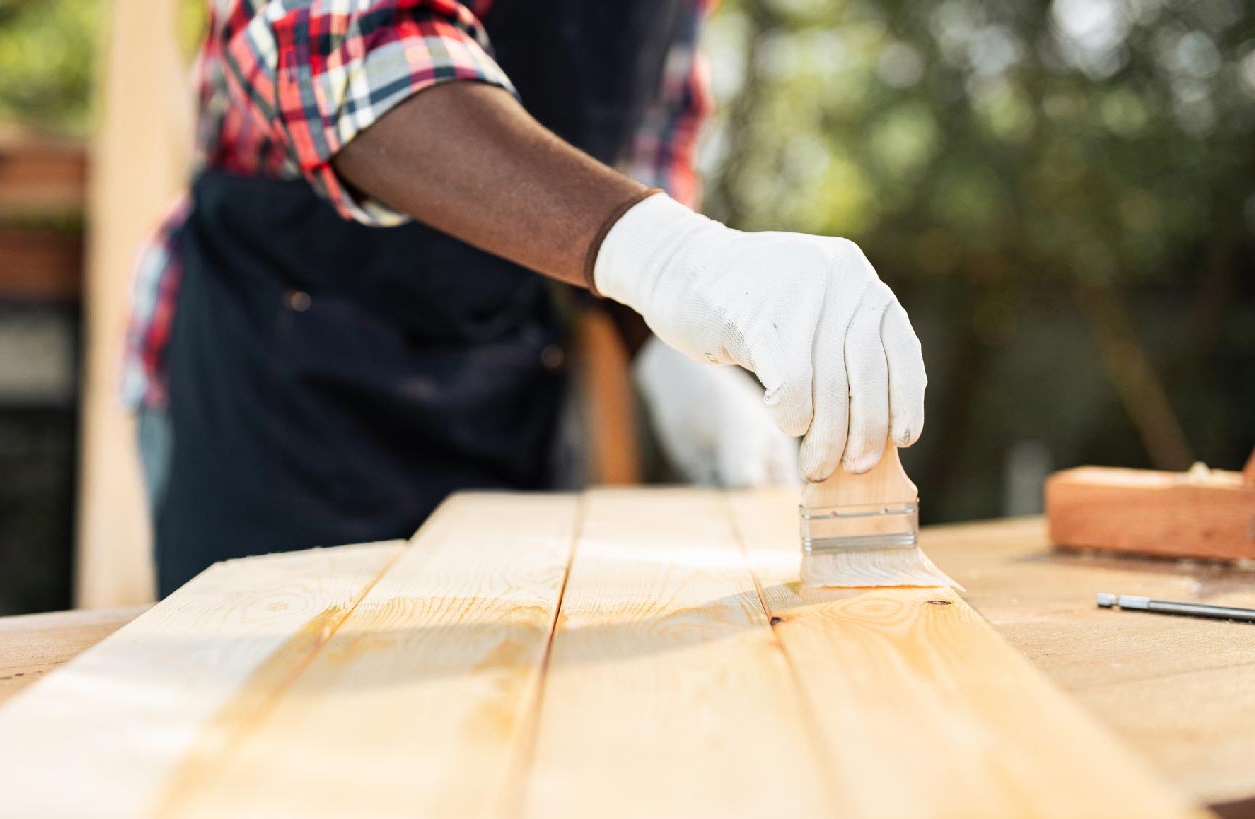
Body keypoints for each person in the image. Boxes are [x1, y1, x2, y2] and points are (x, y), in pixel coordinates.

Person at [124, 0, 928, 597]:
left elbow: (637, 147)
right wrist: (671, 257)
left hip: (498, 384)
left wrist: (665, 344)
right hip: (278, 377)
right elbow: (356, 69)